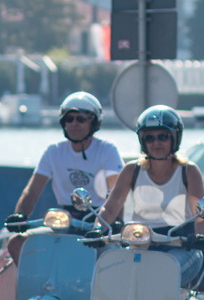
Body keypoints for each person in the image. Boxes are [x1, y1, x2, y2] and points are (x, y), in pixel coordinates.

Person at [97, 104, 204, 288]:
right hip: (140, 243)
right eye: (149, 138)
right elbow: (111, 207)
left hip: (181, 245)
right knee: (111, 275)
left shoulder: (188, 171)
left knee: (160, 276)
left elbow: (201, 214)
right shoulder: (131, 170)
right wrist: (97, 229)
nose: (156, 143)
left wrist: (199, 236)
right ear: (143, 141)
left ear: (175, 138)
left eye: (163, 137)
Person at [12, 91, 123, 219]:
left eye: (80, 119)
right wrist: (20, 215)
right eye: (69, 119)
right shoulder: (53, 151)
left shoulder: (107, 150)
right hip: (65, 219)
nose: (74, 123)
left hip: (100, 217)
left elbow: (116, 193)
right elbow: (32, 192)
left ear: (93, 123)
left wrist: (115, 221)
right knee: (17, 239)